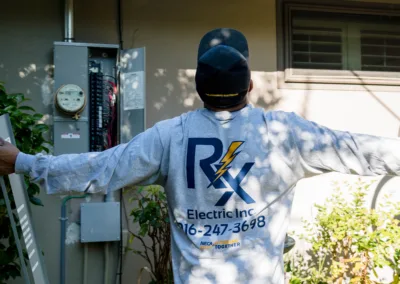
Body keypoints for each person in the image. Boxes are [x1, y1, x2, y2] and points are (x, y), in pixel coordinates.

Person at [1, 28, 400, 284]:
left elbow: (101, 169)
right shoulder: (283, 134)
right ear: (249, 86)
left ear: (199, 88)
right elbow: (361, 150)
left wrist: (21, 161)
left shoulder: (170, 135)